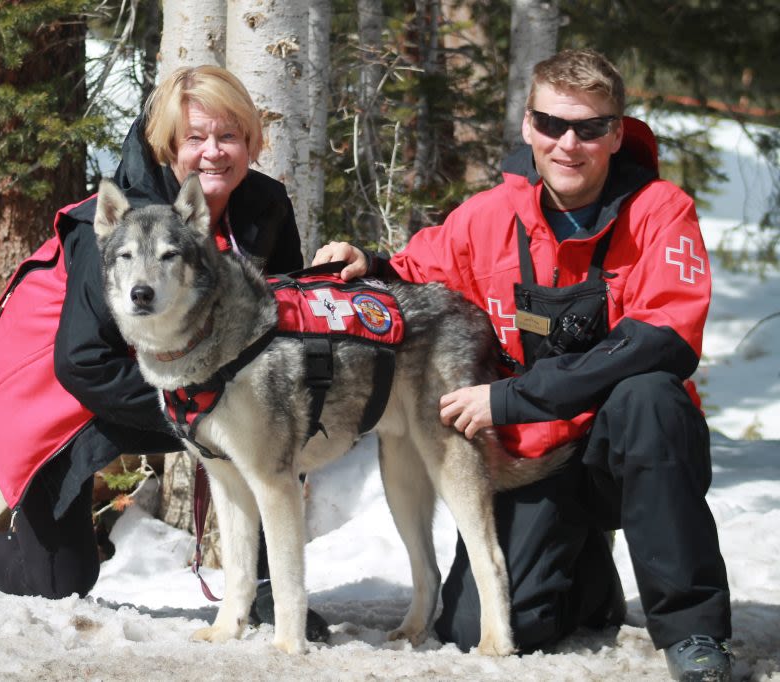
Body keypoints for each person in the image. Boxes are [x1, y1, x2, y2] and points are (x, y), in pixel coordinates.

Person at [313, 49, 732, 680]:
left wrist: (510, 399)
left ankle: (694, 634)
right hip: (529, 455)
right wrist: (366, 262)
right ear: (528, 126)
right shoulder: (489, 216)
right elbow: (415, 272)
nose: (569, 143)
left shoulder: (661, 211)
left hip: (626, 451)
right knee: (478, 627)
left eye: (590, 128)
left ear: (617, 132)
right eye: (551, 124)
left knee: (651, 395)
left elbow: (667, 337)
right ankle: (587, 580)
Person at [0, 65, 328, 641]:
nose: (213, 153)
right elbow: (80, 363)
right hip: (43, 391)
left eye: (229, 136)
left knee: (263, 423)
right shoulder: (122, 223)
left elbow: (278, 326)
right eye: (194, 139)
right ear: (168, 146)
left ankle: (269, 592)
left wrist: (356, 270)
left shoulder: (264, 206)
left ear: (251, 140)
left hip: (166, 383)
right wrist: (207, 409)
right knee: (58, 581)